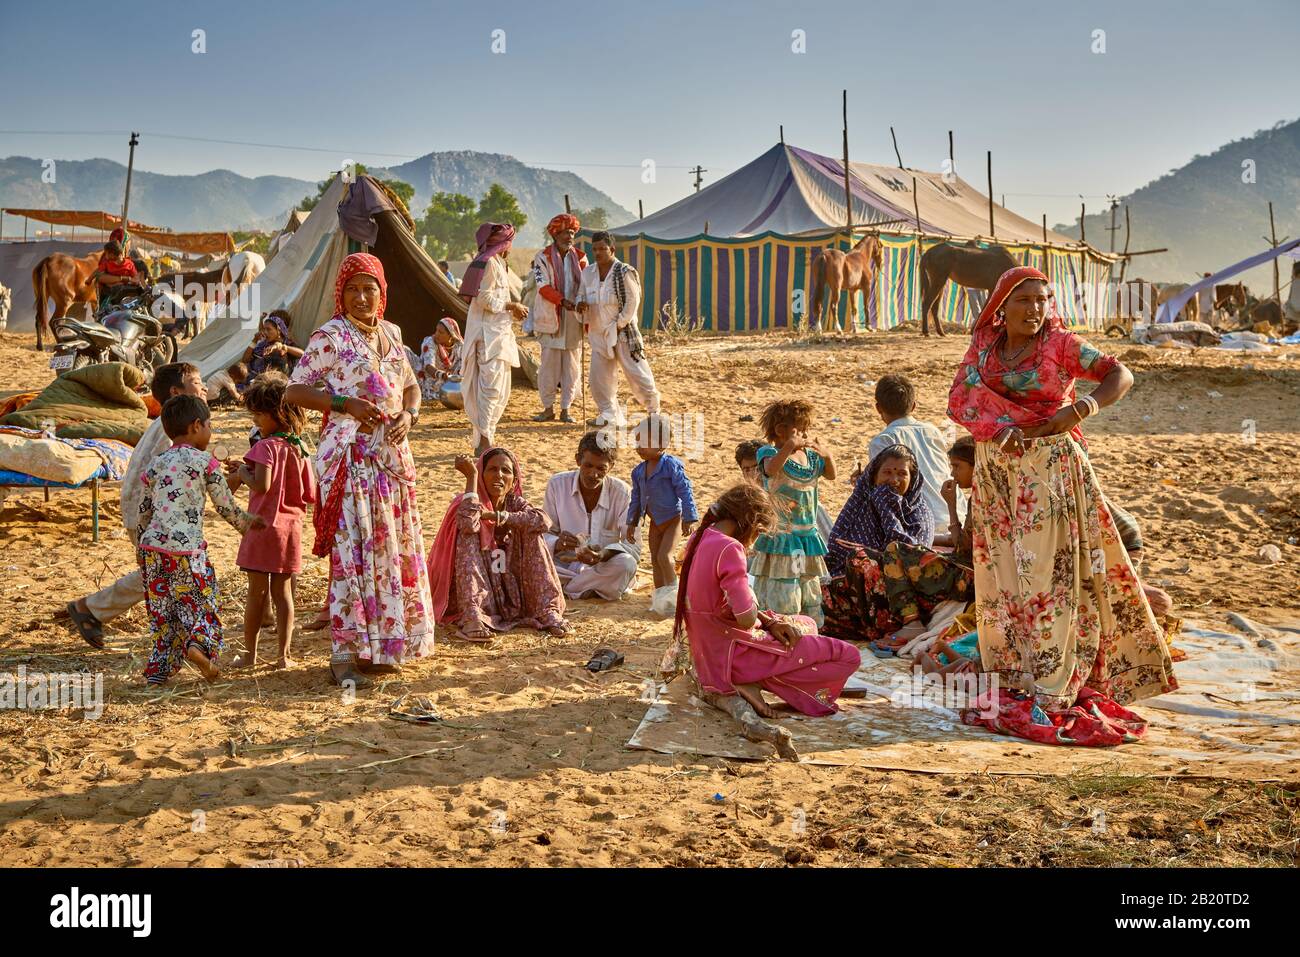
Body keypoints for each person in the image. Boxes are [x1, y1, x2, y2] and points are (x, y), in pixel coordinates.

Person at [948, 265, 1176, 737]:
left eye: (1042, 299)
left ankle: (1054, 679)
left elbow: (1120, 373)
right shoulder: (984, 348)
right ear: (1002, 306)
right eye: (1025, 300)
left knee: (1049, 573)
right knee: (1002, 571)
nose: (1035, 309)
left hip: (1048, 470)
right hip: (996, 471)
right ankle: (1013, 673)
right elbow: (961, 400)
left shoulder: (1061, 345)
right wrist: (997, 431)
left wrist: (1082, 407)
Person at [285, 253, 435, 688]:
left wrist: (411, 414)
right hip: (350, 460)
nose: (362, 296)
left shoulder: (392, 333)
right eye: (353, 288)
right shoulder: (330, 336)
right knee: (352, 552)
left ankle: (384, 646)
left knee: (390, 548)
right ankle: (345, 654)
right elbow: (295, 390)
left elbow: (410, 386)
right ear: (340, 293)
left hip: (390, 462)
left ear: (382, 291)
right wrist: (342, 404)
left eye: (370, 288)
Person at [663, 484, 861, 718]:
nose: (754, 542)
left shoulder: (699, 537)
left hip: (712, 654)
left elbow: (718, 607)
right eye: (758, 533)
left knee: (807, 623)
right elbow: (746, 619)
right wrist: (755, 602)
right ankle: (757, 680)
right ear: (750, 523)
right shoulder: (729, 547)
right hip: (737, 654)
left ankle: (762, 679)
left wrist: (771, 622)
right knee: (849, 655)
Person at [63, 362, 205, 647]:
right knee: (164, 571)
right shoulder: (171, 432)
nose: (203, 388)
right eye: (197, 382)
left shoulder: (168, 424)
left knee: (164, 572)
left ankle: (94, 609)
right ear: (176, 391)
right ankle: (90, 608)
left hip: (143, 510)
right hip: (151, 515)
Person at [136, 395, 264, 685]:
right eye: (209, 424)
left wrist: (139, 548)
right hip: (187, 551)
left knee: (162, 611)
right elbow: (225, 505)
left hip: (152, 548)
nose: (210, 430)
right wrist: (248, 524)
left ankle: (158, 672)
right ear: (196, 426)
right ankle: (198, 646)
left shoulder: (156, 464)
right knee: (202, 603)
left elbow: (144, 509)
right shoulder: (205, 462)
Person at [427, 447, 571, 642]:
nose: (499, 475)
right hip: (476, 587)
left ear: (514, 481)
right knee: (468, 535)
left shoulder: (514, 503)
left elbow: (543, 521)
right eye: (492, 469)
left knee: (532, 532)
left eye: (506, 471)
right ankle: (472, 616)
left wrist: (499, 517)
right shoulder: (469, 500)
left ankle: (546, 610)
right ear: (482, 475)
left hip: (509, 588)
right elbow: (468, 523)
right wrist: (471, 476)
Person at [224, 373, 317, 670]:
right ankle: (283, 656)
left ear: (275, 414)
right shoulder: (299, 447)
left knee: (256, 594)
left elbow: (261, 485)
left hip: (263, 527)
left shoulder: (264, 447)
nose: (256, 422)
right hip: (291, 529)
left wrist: (242, 473)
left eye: (258, 416)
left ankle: (250, 654)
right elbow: (310, 492)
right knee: (284, 594)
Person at [821, 445, 933, 649]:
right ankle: (864, 627)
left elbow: (906, 555)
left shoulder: (919, 512)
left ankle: (888, 627)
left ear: (913, 478)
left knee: (862, 559)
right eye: (887, 472)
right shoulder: (860, 502)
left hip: (898, 598)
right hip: (854, 592)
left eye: (902, 474)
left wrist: (887, 507)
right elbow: (835, 549)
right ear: (873, 476)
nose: (894, 480)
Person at [876, 437, 976, 646]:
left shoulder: (982, 499)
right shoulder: (976, 497)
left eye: (957, 466)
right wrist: (951, 505)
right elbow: (961, 546)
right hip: (965, 569)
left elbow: (964, 552)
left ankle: (911, 622)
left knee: (895, 550)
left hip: (970, 577)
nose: (952, 473)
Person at [748, 399, 836, 627]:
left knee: (808, 588)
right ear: (780, 430)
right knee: (784, 589)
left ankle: (808, 631)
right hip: (783, 537)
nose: (805, 437)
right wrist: (788, 447)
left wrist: (826, 455)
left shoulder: (810, 458)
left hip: (806, 537)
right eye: (800, 431)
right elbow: (770, 470)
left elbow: (831, 475)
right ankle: (784, 629)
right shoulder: (770, 453)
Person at [576, 231, 661, 428]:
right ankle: (608, 413)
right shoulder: (587, 273)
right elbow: (581, 294)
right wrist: (580, 304)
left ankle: (654, 412)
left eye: (602, 249)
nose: (598, 253)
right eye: (595, 249)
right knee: (598, 378)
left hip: (623, 332)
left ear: (612, 249)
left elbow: (633, 301)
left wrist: (619, 324)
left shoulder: (624, 271)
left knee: (637, 373)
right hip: (598, 332)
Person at [543, 430, 641, 600]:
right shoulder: (557, 485)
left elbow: (633, 546)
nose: (593, 474)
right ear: (577, 460)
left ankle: (569, 588)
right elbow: (544, 534)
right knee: (530, 563)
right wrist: (558, 543)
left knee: (626, 564)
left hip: (603, 567)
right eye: (588, 465)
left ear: (611, 467)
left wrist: (603, 555)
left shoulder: (623, 493)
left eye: (601, 468)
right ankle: (592, 588)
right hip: (564, 565)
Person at [459, 222, 527, 453]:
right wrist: (511, 305)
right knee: (490, 390)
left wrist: (512, 310)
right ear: (504, 244)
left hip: (499, 336)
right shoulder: (489, 265)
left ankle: (483, 438)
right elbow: (483, 299)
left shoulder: (498, 264)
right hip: (489, 338)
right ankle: (485, 441)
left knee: (498, 390)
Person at [626, 414, 698, 616]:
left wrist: (689, 517)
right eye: (637, 441)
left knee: (665, 557)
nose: (639, 447)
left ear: (662, 444)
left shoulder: (671, 465)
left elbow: (685, 490)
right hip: (654, 521)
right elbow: (636, 497)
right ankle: (660, 598)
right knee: (655, 560)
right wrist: (632, 521)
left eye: (644, 442)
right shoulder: (639, 471)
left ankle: (675, 597)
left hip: (672, 519)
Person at [865, 374, 960, 526]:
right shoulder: (932, 430)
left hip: (921, 523)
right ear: (914, 406)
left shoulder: (883, 440)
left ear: (878, 408)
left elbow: (886, 491)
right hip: (955, 515)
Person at [530, 214, 588, 423]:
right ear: (555, 235)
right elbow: (543, 286)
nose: (569, 236)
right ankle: (548, 408)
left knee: (571, 367)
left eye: (572, 232)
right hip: (550, 318)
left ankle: (566, 409)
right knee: (548, 367)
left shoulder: (581, 258)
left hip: (573, 319)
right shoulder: (542, 258)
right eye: (565, 232)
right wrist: (562, 301)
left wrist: (579, 302)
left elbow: (585, 285)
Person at [736, 438, 832, 543]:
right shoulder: (744, 500)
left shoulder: (803, 501)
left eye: (757, 468)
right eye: (747, 469)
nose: (753, 474)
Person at [240, 312, 302, 388]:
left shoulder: (288, 343)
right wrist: (254, 341)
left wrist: (282, 347)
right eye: (264, 329)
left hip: (272, 386)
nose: (265, 332)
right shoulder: (263, 344)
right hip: (251, 381)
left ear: (278, 330)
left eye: (268, 329)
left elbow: (303, 354)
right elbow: (245, 360)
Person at [418, 317, 463, 405]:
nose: (436, 334)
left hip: (454, 384)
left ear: (451, 335)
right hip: (432, 382)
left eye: (441, 332)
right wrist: (442, 375)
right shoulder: (430, 342)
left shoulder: (460, 346)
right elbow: (428, 366)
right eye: (436, 330)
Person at [91, 239, 143, 309]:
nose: (105, 255)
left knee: (101, 279)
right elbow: (98, 272)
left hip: (121, 289)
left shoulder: (128, 263)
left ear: (112, 254)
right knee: (101, 278)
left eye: (106, 253)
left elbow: (135, 278)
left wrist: (89, 279)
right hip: (116, 287)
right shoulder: (109, 263)